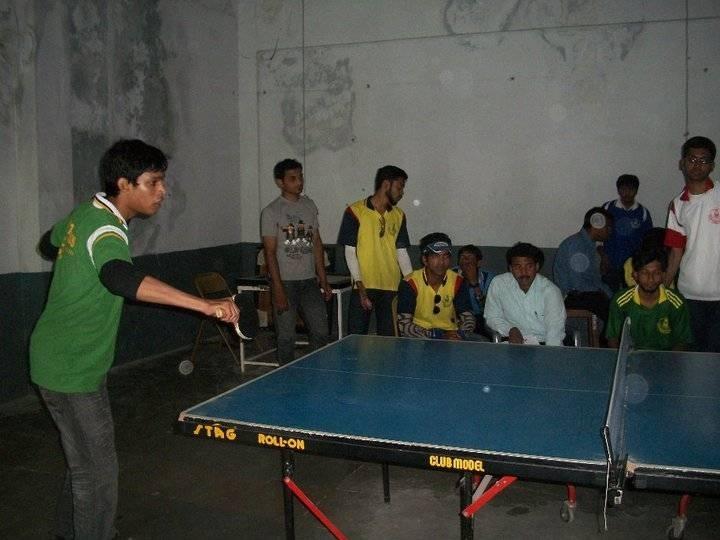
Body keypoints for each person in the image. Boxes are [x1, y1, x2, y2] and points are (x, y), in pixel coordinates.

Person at [29, 139, 240, 540]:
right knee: (98, 473)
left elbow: (47, 242)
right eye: (153, 182)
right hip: (72, 366)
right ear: (124, 184)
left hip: (53, 356)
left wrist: (74, 265)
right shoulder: (107, 229)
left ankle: (68, 532)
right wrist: (204, 305)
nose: (163, 191)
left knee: (82, 463)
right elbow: (120, 279)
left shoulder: (84, 214)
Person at [260, 159, 331, 365]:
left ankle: (318, 372)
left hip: (309, 281)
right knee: (286, 337)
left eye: (300, 177)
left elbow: (316, 243)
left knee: (321, 332)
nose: (299, 182)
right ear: (280, 182)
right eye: (293, 178)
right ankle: (286, 376)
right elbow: (270, 253)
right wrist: (278, 289)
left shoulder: (309, 205)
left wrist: (323, 279)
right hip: (285, 283)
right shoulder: (272, 211)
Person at [338, 165, 413, 336]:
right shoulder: (355, 211)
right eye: (400, 187)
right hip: (363, 286)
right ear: (386, 184)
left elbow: (401, 252)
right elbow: (350, 252)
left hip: (391, 287)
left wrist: (411, 284)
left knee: (390, 341)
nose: (402, 192)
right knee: (356, 339)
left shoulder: (399, 215)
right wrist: (360, 285)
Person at [664, 136, 720, 352]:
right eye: (692, 159)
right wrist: (662, 289)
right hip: (689, 295)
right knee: (693, 356)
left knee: (714, 356)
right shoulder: (677, 205)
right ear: (682, 163)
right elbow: (675, 252)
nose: (697, 165)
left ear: (712, 165)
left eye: (703, 160)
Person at [606, 247, 691, 350]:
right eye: (644, 273)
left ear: (664, 275)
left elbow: (682, 341)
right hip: (632, 356)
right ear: (635, 275)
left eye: (656, 273)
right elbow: (612, 338)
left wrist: (670, 359)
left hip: (666, 357)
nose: (650, 279)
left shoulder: (676, 302)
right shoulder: (620, 301)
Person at [485, 242, 566, 346]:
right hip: (513, 345)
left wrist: (548, 354)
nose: (523, 272)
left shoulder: (550, 291)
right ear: (510, 268)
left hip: (544, 345)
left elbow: (555, 333)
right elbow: (492, 316)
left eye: (529, 266)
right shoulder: (499, 284)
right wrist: (510, 329)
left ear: (537, 266)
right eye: (517, 266)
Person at [397, 233, 475, 340]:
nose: (441, 262)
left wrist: (460, 334)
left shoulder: (458, 281)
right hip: (419, 341)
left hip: (452, 338)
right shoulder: (410, 283)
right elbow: (404, 326)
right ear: (425, 259)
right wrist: (438, 335)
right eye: (435, 256)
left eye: (445, 256)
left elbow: (468, 318)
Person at [553, 207, 614, 324]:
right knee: (608, 308)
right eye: (608, 227)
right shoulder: (577, 244)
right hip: (571, 296)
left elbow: (594, 280)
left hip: (584, 294)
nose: (610, 231)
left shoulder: (588, 245)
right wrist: (602, 292)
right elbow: (577, 284)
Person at [601, 174, 653, 291]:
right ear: (618, 190)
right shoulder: (607, 208)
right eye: (623, 189)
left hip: (633, 265)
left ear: (636, 191)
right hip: (610, 263)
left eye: (631, 189)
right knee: (609, 294)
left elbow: (648, 241)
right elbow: (597, 235)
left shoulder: (643, 213)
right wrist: (602, 257)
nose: (627, 193)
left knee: (631, 295)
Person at [454, 244, 495, 340]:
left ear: (478, 263)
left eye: (469, 257)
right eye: (462, 257)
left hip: (481, 318)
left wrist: (475, 284)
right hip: (456, 317)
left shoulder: (489, 278)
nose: (465, 261)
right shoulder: (451, 275)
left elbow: (489, 309)